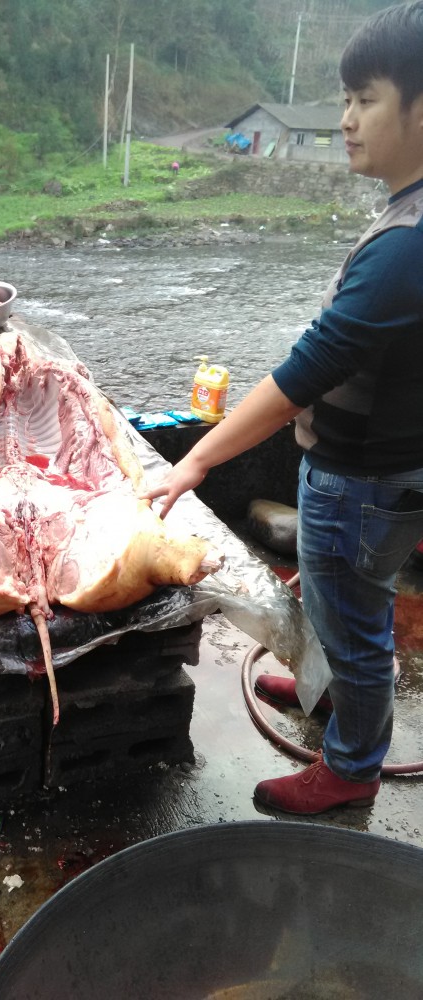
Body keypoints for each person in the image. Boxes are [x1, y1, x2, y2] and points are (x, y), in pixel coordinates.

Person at [143, 1, 423, 815]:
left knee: (359, 623)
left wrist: (196, 459)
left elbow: (303, 373)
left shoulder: (406, 246)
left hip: (360, 482)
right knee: (343, 604)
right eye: (342, 99)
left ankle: (349, 769)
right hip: (382, 474)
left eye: (364, 98)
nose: (344, 120)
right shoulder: (409, 214)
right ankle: (328, 690)